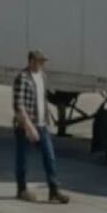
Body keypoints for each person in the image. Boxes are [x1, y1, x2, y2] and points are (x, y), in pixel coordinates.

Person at [11, 50, 69, 205]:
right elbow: (18, 106)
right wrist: (29, 127)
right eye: (39, 61)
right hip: (25, 126)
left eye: (43, 62)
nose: (42, 64)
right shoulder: (22, 78)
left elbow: (43, 99)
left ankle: (54, 191)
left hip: (42, 125)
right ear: (30, 61)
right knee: (22, 159)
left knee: (49, 156)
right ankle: (21, 190)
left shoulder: (43, 76)